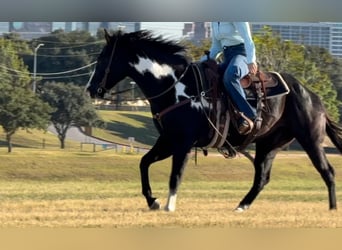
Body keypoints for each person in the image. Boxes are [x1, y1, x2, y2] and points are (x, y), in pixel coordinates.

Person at [205, 22, 258, 135]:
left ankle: (249, 115)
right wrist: (201, 62)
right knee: (208, 75)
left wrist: (251, 60)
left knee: (230, 76)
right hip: (227, 56)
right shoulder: (214, 22)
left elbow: (247, 39)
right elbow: (216, 47)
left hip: (242, 55)